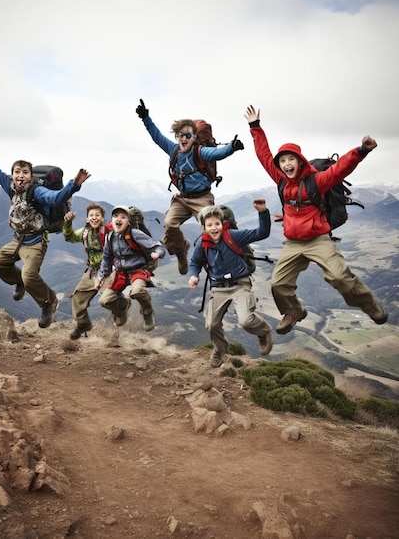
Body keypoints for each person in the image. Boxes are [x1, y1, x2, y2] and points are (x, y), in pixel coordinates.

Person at [244, 105, 388, 334]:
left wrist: (361, 151)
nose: (286, 164)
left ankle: (369, 305)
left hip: (318, 239)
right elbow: (264, 155)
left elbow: (340, 169)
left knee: (340, 276)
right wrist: (255, 127)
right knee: (278, 284)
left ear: (299, 161)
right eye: (283, 161)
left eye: (291, 159)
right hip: (292, 242)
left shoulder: (316, 181)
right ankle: (294, 312)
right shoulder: (280, 180)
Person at [0, 133, 90, 329]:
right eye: (17, 171)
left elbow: (56, 199)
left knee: (30, 275)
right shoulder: (10, 186)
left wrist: (74, 185)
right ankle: (20, 282)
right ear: (12, 174)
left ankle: (49, 303)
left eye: (25, 172)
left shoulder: (36, 192)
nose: (20, 175)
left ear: (31, 176)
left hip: (36, 241)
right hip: (17, 240)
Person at [135, 98, 244, 275]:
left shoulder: (200, 152)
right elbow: (157, 136)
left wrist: (232, 147)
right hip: (182, 198)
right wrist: (146, 118)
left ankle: (220, 264)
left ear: (194, 137)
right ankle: (180, 251)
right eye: (181, 135)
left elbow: (218, 153)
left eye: (188, 135)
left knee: (211, 229)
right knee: (170, 224)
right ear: (177, 137)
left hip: (202, 198)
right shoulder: (173, 150)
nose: (184, 138)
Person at [188, 201, 273, 368]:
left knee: (246, 321)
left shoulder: (233, 236)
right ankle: (221, 347)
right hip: (219, 288)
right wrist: (193, 276)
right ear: (203, 227)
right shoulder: (202, 245)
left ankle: (264, 331)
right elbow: (194, 263)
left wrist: (263, 212)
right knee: (211, 324)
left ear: (223, 223)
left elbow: (262, 232)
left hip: (240, 285)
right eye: (209, 224)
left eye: (217, 223)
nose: (214, 228)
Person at [94, 205, 166, 332]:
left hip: (137, 270)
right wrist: (101, 275)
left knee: (137, 291)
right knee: (104, 301)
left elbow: (157, 246)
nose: (118, 219)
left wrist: (157, 253)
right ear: (111, 220)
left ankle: (147, 312)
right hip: (121, 273)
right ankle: (121, 307)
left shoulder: (135, 234)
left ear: (128, 221)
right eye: (116, 216)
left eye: (123, 217)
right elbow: (106, 258)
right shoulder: (109, 237)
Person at [63, 203, 112, 340]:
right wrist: (67, 223)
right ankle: (83, 325)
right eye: (91, 215)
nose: (94, 218)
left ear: (102, 218)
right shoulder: (85, 232)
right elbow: (69, 237)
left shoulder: (108, 232)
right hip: (92, 271)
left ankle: (121, 307)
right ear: (87, 219)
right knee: (78, 297)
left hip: (108, 270)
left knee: (108, 298)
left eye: (97, 215)